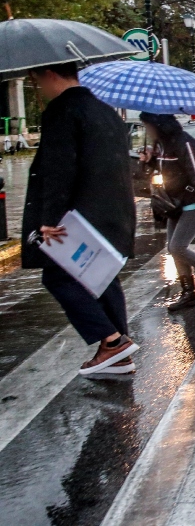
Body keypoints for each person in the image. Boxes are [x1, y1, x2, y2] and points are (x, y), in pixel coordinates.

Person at [22, 61, 138, 376]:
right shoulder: (106, 112)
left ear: (49, 74)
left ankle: (113, 342)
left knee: (58, 277)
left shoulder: (62, 111)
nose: (37, 88)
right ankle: (119, 353)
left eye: (35, 79)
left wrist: (49, 218)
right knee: (102, 277)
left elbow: (59, 169)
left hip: (77, 217)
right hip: (113, 213)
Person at [138, 113, 195, 310]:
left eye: (148, 126)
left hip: (191, 203)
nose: (147, 130)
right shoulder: (161, 145)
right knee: (173, 248)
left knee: (177, 247)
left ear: (159, 125)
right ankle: (190, 294)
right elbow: (167, 171)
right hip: (174, 204)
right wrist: (150, 160)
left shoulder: (185, 143)